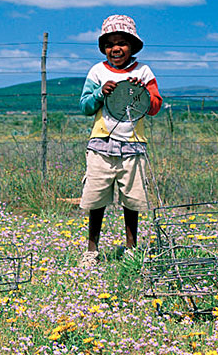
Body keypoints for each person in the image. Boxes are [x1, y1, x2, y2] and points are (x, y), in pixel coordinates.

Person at [78, 15, 162, 268]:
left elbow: (155, 107)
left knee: (132, 200)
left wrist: (142, 93)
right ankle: (92, 251)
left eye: (122, 43)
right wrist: (99, 94)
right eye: (110, 43)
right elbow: (85, 106)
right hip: (101, 144)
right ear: (104, 47)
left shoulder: (143, 72)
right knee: (96, 199)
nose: (116, 48)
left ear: (132, 46)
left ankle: (131, 249)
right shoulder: (97, 71)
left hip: (133, 145)